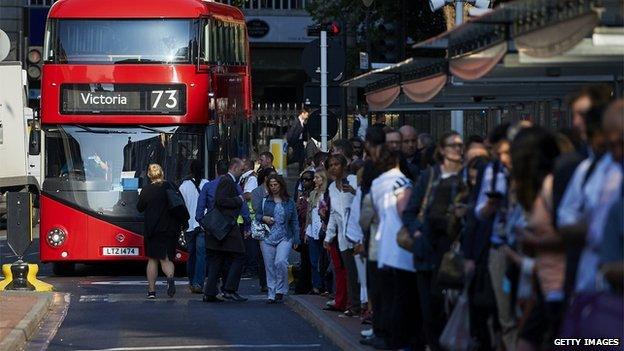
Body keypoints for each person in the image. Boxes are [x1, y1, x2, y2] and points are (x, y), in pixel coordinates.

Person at [403, 131, 465, 351]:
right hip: (427, 250)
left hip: (454, 252)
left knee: (451, 307)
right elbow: (410, 212)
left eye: (460, 145)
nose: (457, 149)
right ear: (442, 150)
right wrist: (418, 232)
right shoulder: (429, 177)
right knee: (430, 309)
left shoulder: (466, 177)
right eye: (452, 145)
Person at [197, 158, 249, 303]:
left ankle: (210, 293)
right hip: (226, 227)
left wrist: (201, 221)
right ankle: (229, 289)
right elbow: (221, 201)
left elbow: (201, 209)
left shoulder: (217, 183)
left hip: (215, 229)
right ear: (234, 167)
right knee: (239, 255)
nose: (242, 172)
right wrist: (240, 199)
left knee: (216, 260)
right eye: (241, 169)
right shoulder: (227, 181)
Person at [323, 154, 360, 315]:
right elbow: (333, 214)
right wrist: (328, 237)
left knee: (361, 272)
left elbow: (364, 200)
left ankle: (362, 306)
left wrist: (354, 191)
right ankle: (353, 305)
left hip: (358, 235)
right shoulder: (331, 187)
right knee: (349, 272)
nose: (333, 168)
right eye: (330, 165)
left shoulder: (353, 180)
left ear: (344, 165)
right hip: (342, 237)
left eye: (336, 164)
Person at [136, 164, 180, 299]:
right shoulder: (170, 187)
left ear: (149, 176)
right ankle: (170, 277)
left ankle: (151, 291)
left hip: (152, 229)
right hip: (169, 229)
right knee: (166, 258)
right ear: (162, 173)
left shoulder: (146, 190)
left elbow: (140, 208)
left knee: (153, 260)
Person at [257, 174, 300, 303]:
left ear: (281, 185)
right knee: (269, 266)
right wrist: (264, 218)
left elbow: (294, 221)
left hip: (285, 236)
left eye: (276, 184)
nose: (274, 187)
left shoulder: (289, 201)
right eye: (271, 185)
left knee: (280, 262)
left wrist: (296, 238)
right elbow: (257, 215)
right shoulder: (265, 200)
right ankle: (272, 292)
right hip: (267, 237)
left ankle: (280, 289)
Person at [179, 160, 209, 294]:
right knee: (201, 255)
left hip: (189, 225)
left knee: (191, 255)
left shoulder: (183, 186)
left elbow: (181, 207)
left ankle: (191, 281)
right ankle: (198, 282)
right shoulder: (206, 184)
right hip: (203, 225)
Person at [250, 167, 277, 292]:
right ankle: (264, 282)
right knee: (263, 256)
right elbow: (256, 209)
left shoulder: (278, 190)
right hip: (263, 227)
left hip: (277, 226)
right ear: (266, 178)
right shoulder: (256, 192)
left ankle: (276, 282)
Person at [305, 169, 330, 295]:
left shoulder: (328, 194)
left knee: (325, 260)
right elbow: (309, 214)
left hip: (324, 230)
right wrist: (306, 230)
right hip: (312, 229)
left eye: (317, 178)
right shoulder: (313, 194)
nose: (314, 180)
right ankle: (316, 285)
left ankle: (326, 286)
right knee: (314, 260)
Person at [295, 170, 315, 294]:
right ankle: (304, 285)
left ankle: (309, 285)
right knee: (304, 259)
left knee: (310, 260)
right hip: (302, 230)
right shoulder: (302, 195)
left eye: (307, 179)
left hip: (311, 230)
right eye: (303, 180)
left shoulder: (313, 195)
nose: (304, 182)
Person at [287, 107, 310, 173]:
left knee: (301, 156)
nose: (307, 116)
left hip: (300, 142)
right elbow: (291, 133)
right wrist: (290, 144)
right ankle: (286, 163)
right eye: (306, 115)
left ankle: (300, 170)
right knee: (296, 157)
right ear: (302, 113)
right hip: (295, 142)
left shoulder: (302, 122)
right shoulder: (296, 121)